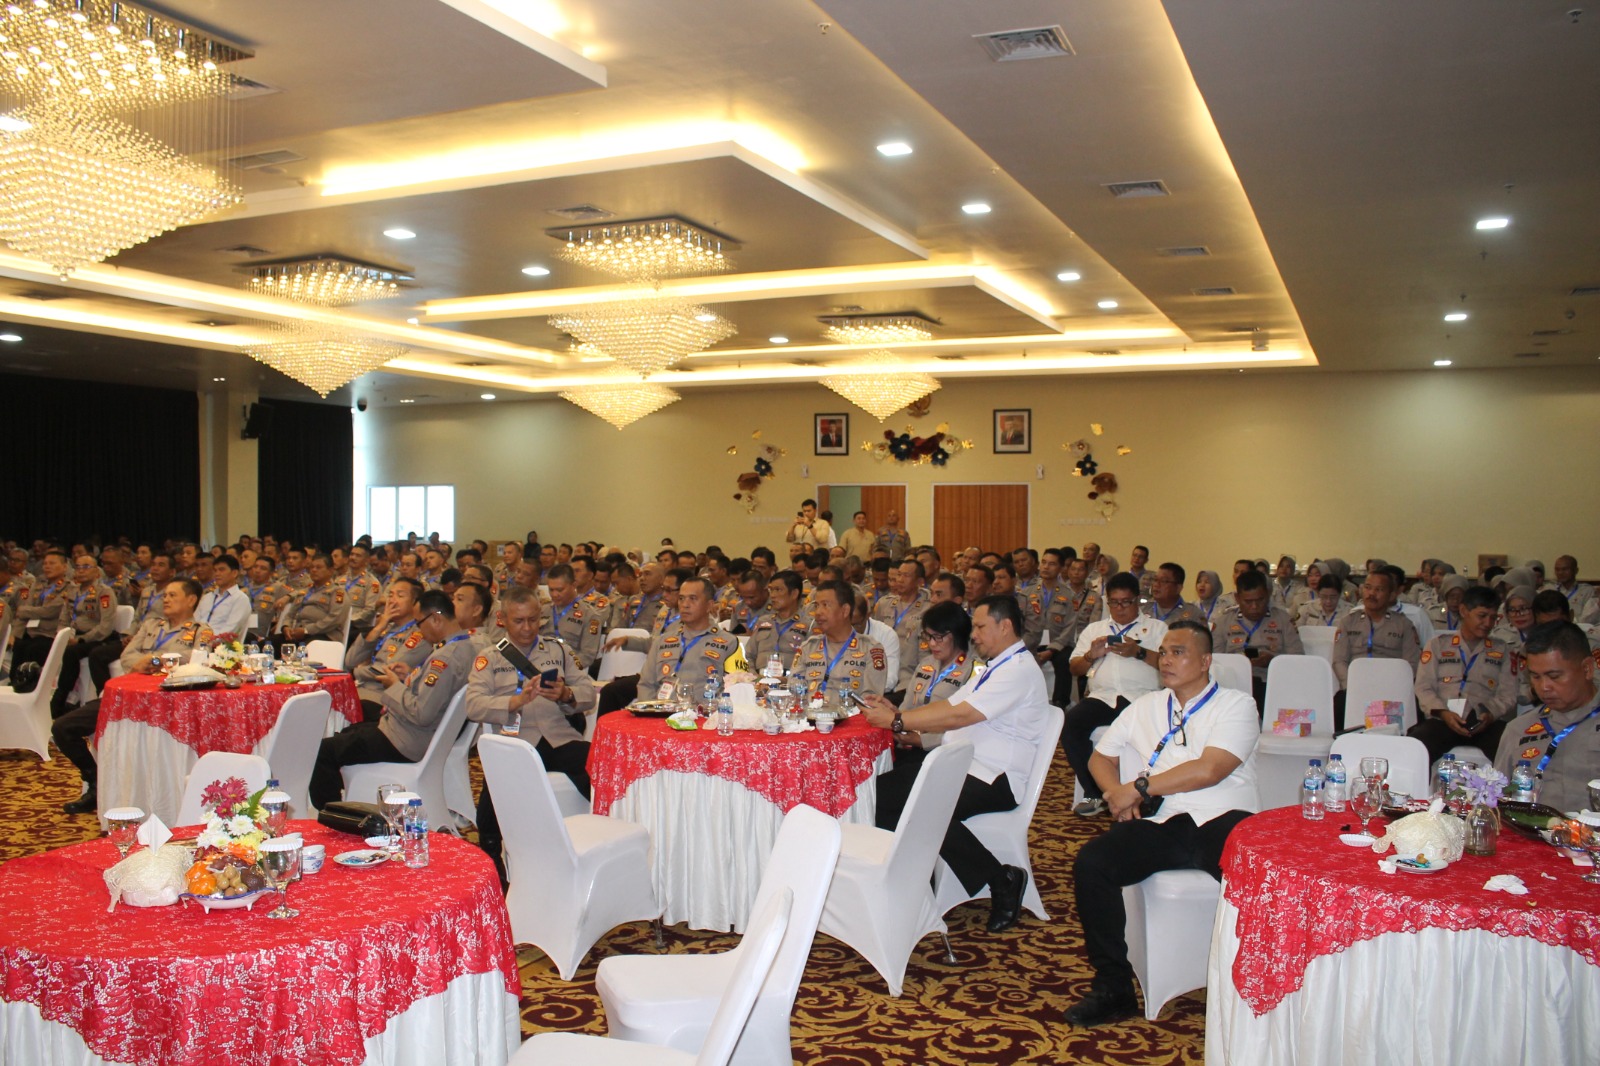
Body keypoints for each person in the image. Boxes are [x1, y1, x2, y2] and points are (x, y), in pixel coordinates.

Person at [1064, 620, 1261, 1028]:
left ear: (1205, 661)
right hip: (1166, 820)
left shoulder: (1237, 705)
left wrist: (1137, 788)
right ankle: (1113, 987)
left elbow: (1210, 770)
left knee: (1256, 878)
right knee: (1093, 863)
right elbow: (1101, 757)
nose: (1166, 660)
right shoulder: (1147, 706)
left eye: (1179, 652)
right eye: (1165, 652)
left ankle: (1256, 986)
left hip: (1224, 817)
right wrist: (1115, 793)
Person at [860, 595, 1053, 933]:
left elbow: (961, 715)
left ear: (1005, 626)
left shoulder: (1019, 671)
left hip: (996, 777)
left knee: (921, 806)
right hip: (964, 766)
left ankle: (1001, 878)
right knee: (879, 794)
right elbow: (949, 705)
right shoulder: (996, 666)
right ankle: (912, 881)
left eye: (980, 627)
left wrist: (898, 722)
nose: (973, 635)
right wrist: (897, 713)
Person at [466, 586, 597, 885]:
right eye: (519, 621)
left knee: (597, 765)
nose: (527, 628)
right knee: (493, 792)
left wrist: (566, 694)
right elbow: (473, 705)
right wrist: (515, 701)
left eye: (533, 620)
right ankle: (491, 860)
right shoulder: (489, 658)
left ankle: (598, 837)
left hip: (558, 738)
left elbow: (588, 692)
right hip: (515, 744)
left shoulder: (558, 650)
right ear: (502, 620)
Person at [51, 578, 213, 814]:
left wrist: (153, 660)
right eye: (165, 595)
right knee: (63, 728)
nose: (166, 600)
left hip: (165, 703)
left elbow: (196, 659)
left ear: (191, 600)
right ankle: (95, 782)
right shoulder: (151, 625)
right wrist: (146, 662)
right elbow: (127, 656)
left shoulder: (201, 631)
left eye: (172, 595)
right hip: (128, 697)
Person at [309, 590, 476, 810]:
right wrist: (409, 677)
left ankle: (332, 816)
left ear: (436, 619)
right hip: (413, 732)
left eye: (420, 623)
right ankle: (351, 802)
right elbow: (434, 695)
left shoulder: (444, 658)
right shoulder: (467, 646)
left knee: (323, 751)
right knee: (348, 732)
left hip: (407, 740)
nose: (419, 630)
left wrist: (394, 685)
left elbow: (422, 713)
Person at [1061, 573, 1167, 817]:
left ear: (1137, 600)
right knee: (1071, 725)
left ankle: (1148, 795)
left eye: (1126, 602)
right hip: (1103, 697)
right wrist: (1091, 655)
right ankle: (1096, 792)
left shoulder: (1156, 629)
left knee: (1151, 733)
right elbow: (1074, 668)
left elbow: (1167, 663)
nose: (1120, 608)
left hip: (1142, 697)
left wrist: (1138, 651)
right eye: (1114, 603)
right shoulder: (1095, 629)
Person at [1494, 622, 1600, 814]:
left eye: (1554, 676)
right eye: (1535, 677)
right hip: (1534, 830)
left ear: (1587, 669)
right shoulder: (1518, 730)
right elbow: (1498, 801)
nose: (1544, 687)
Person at [1408, 586, 1518, 763]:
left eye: (1493, 618)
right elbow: (1423, 687)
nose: (1487, 623)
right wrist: (1443, 713)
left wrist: (1490, 714)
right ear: (1464, 611)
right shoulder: (1437, 645)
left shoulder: (1502, 650)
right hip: (1443, 719)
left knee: (1513, 749)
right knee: (1416, 748)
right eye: (1482, 616)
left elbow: (1508, 694)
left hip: (1484, 721)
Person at [1330, 568, 1421, 730]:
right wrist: (1352, 686)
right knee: (1337, 706)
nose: (1371, 593)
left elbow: (1412, 664)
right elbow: (1339, 661)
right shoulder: (1348, 622)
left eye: (1379, 589)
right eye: (1368, 587)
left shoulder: (1404, 625)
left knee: (1416, 711)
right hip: (1355, 687)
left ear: (1391, 595)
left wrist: (1391, 686)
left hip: (1392, 688)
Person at [890, 600, 978, 765]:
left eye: (938, 637)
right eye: (928, 636)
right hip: (909, 745)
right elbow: (907, 707)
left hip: (943, 753)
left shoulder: (973, 670)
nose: (931, 643)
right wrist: (894, 716)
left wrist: (922, 741)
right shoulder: (926, 663)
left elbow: (967, 727)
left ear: (957, 634)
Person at [1211, 568, 1303, 709]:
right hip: (1233, 684)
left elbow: (1298, 658)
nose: (1254, 607)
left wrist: (1272, 660)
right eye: (1248, 602)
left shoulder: (1283, 619)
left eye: (1260, 600)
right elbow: (1215, 660)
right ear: (1237, 598)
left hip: (1272, 682)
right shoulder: (1224, 622)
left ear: (1268, 595)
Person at [636, 576, 738, 700]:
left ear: (709, 605)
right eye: (681, 598)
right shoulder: (662, 641)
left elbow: (735, 689)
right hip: (662, 709)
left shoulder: (729, 643)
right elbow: (646, 685)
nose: (685, 605)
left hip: (704, 710)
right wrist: (651, 710)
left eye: (693, 598)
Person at [344, 577, 429, 721]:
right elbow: (350, 661)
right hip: (359, 690)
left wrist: (355, 673)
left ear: (415, 603)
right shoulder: (385, 628)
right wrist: (379, 627)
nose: (392, 601)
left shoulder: (419, 634)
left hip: (381, 698)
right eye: (390, 595)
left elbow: (389, 670)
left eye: (400, 596)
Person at [47, 554, 120, 717]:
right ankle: (57, 694)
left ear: (96, 571)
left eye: (86, 567)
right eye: (78, 567)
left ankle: (61, 697)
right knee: (53, 646)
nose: (81, 571)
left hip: (96, 638)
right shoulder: (72, 591)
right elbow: (64, 618)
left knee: (71, 653)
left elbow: (105, 626)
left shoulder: (104, 592)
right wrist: (62, 635)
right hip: (74, 635)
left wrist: (81, 639)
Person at [791, 581, 888, 700]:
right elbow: (794, 690)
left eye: (825, 605)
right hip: (809, 711)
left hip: (850, 712)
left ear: (845, 610)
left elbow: (871, 701)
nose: (818, 612)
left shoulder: (870, 649)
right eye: (817, 606)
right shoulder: (808, 647)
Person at [9, 548, 70, 688]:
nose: (47, 566)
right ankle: (15, 684)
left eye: (52, 563)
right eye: (45, 563)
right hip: (31, 631)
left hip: (49, 633)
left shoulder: (69, 587)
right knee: (19, 645)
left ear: (64, 567)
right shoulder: (38, 584)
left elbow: (50, 611)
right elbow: (24, 610)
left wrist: (25, 611)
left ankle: (32, 686)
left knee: (34, 648)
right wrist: (15, 634)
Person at [196, 554, 251, 641]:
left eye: (221, 570)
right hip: (198, 644)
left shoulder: (241, 599)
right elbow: (195, 623)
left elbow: (230, 631)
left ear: (234, 573)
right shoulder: (207, 597)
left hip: (221, 646)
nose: (217, 574)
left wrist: (205, 640)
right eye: (215, 570)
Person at [1546, 555, 1598, 625]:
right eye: (1557, 570)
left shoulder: (1587, 591)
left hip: (1579, 628)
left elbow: (1590, 619)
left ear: (1576, 570)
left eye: (1565, 569)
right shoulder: (1549, 590)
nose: (1560, 573)